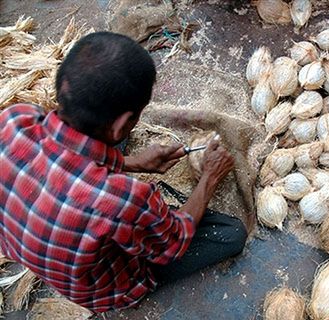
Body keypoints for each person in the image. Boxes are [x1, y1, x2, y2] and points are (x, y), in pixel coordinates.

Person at [0, 32, 247, 312]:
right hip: (107, 289)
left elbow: (69, 163)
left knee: (97, 138)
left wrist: (133, 163)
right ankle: (135, 289)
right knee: (232, 233)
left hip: (31, 239)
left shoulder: (14, 120)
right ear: (122, 124)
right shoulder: (124, 199)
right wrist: (209, 179)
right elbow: (173, 241)